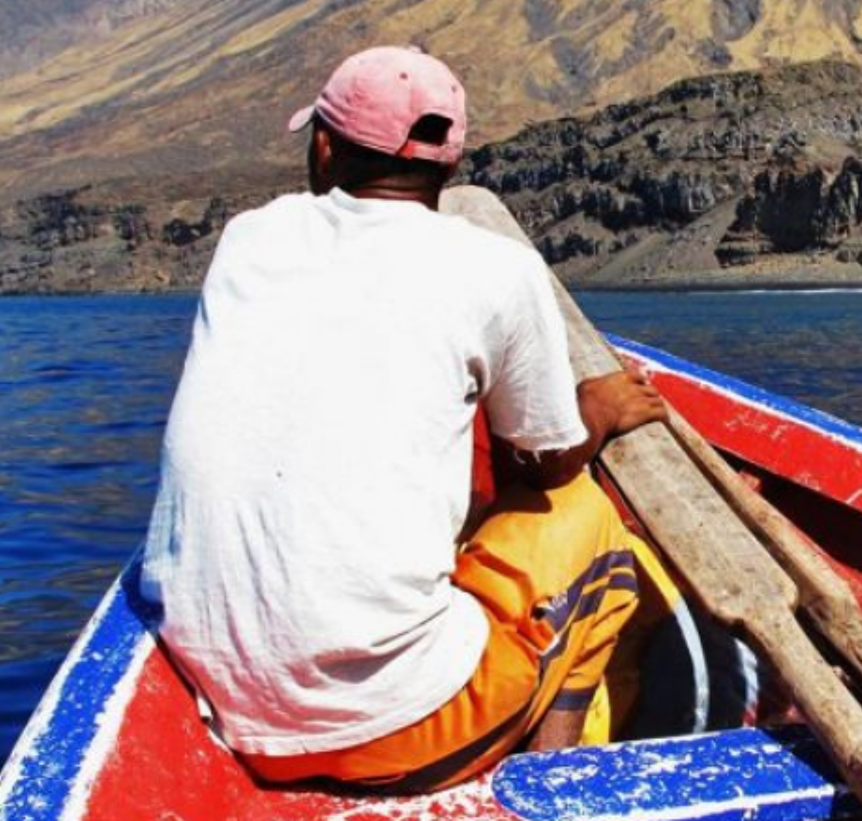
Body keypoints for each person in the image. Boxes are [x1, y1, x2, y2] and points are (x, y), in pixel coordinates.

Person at [139, 45, 668, 791]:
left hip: (224, 698)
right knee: (593, 531)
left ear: (324, 148)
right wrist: (601, 409)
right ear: (448, 169)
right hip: (396, 730)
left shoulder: (249, 239)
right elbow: (541, 461)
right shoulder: (498, 270)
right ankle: (550, 785)